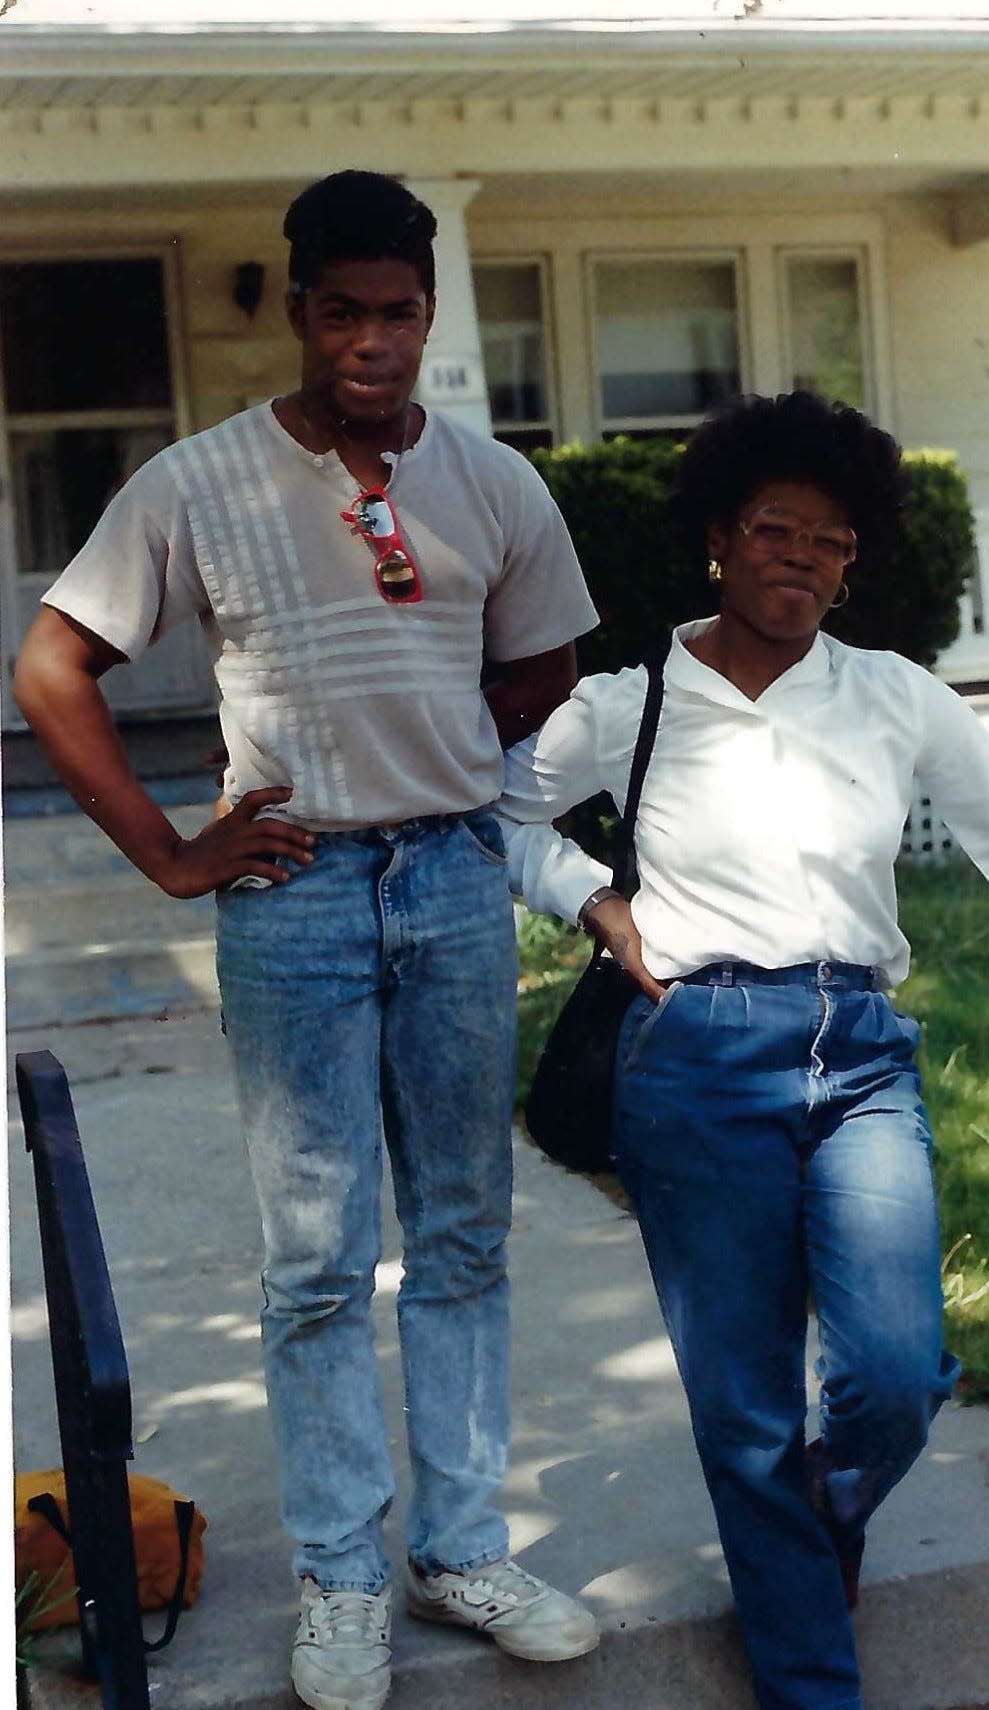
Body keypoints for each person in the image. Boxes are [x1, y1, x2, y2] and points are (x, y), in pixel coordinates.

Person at [496, 390, 989, 1710]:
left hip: (859, 1053)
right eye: (776, 530)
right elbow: (496, 808)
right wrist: (589, 897)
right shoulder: (625, 706)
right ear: (718, 537)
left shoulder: (891, 697)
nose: (804, 559)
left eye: (832, 540)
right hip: (693, 1057)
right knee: (747, 1413)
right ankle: (815, 1678)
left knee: (894, 1367)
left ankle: (807, 1534)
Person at [14, 169, 601, 1710]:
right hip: (296, 895)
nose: (370, 340)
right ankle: (346, 1574)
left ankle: (460, 1543)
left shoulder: (492, 483)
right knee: (318, 1253)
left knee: (466, 1227)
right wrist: (172, 852)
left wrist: (444, 752)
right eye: (340, 310)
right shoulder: (198, 482)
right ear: (296, 308)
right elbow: (54, 663)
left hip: (459, 883)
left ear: (429, 311)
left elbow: (547, 662)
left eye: (399, 311)